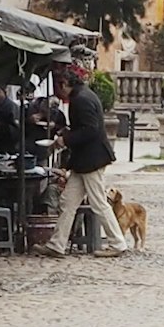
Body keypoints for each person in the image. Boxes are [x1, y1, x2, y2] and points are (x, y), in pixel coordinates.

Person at [52, 63, 127, 256]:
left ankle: (118, 243)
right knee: (68, 202)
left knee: (98, 203)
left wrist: (66, 138)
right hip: (84, 160)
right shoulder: (82, 95)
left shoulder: (81, 100)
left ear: (65, 84)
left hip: (91, 160)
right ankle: (57, 244)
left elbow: (90, 130)